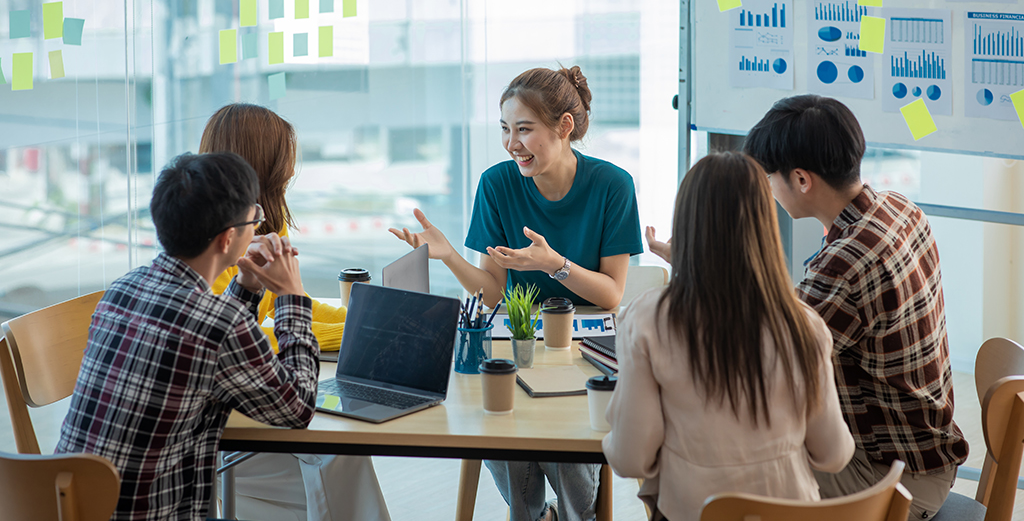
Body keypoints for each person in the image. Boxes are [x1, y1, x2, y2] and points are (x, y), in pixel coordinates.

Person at [391, 65, 643, 521]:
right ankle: (534, 515)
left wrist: (554, 264)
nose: (512, 143)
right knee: (497, 423)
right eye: (505, 129)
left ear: (564, 127)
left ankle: (570, 514)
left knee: (564, 458)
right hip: (518, 343)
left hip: (582, 350)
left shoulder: (612, 185)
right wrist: (449, 255)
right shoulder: (497, 184)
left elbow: (610, 294)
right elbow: (491, 292)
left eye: (524, 129)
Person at [724, 94, 965, 519]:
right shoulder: (900, 209)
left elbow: (765, 363)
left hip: (893, 480)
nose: (768, 190)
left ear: (801, 179)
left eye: (768, 178)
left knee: (728, 468)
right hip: (927, 455)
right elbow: (798, 315)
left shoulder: (842, 263)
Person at [55, 152, 319, 521]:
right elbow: (297, 409)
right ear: (229, 238)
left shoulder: (122, 289)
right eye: (253, 218)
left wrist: (246, 284)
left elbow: (207, 346)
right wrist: (293, 298)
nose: (258, 226)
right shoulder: (218, 325)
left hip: (70, 507)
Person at [604, 152, 854, 521]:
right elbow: (834, 454)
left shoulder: (648, 319)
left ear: (687, 225)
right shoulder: (804, 323)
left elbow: (630, 459)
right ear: (765, 228)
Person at [199, 103, 391, 521]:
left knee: (342, 443)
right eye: (284, 160)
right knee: (337, 448)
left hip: (221, 415)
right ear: (260, 167)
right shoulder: (211, 253)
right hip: (216, 441)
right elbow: (282, 385)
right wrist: (347, 330)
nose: (291, 170)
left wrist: (360, 317)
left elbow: (251, 322)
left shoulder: (260, 227)